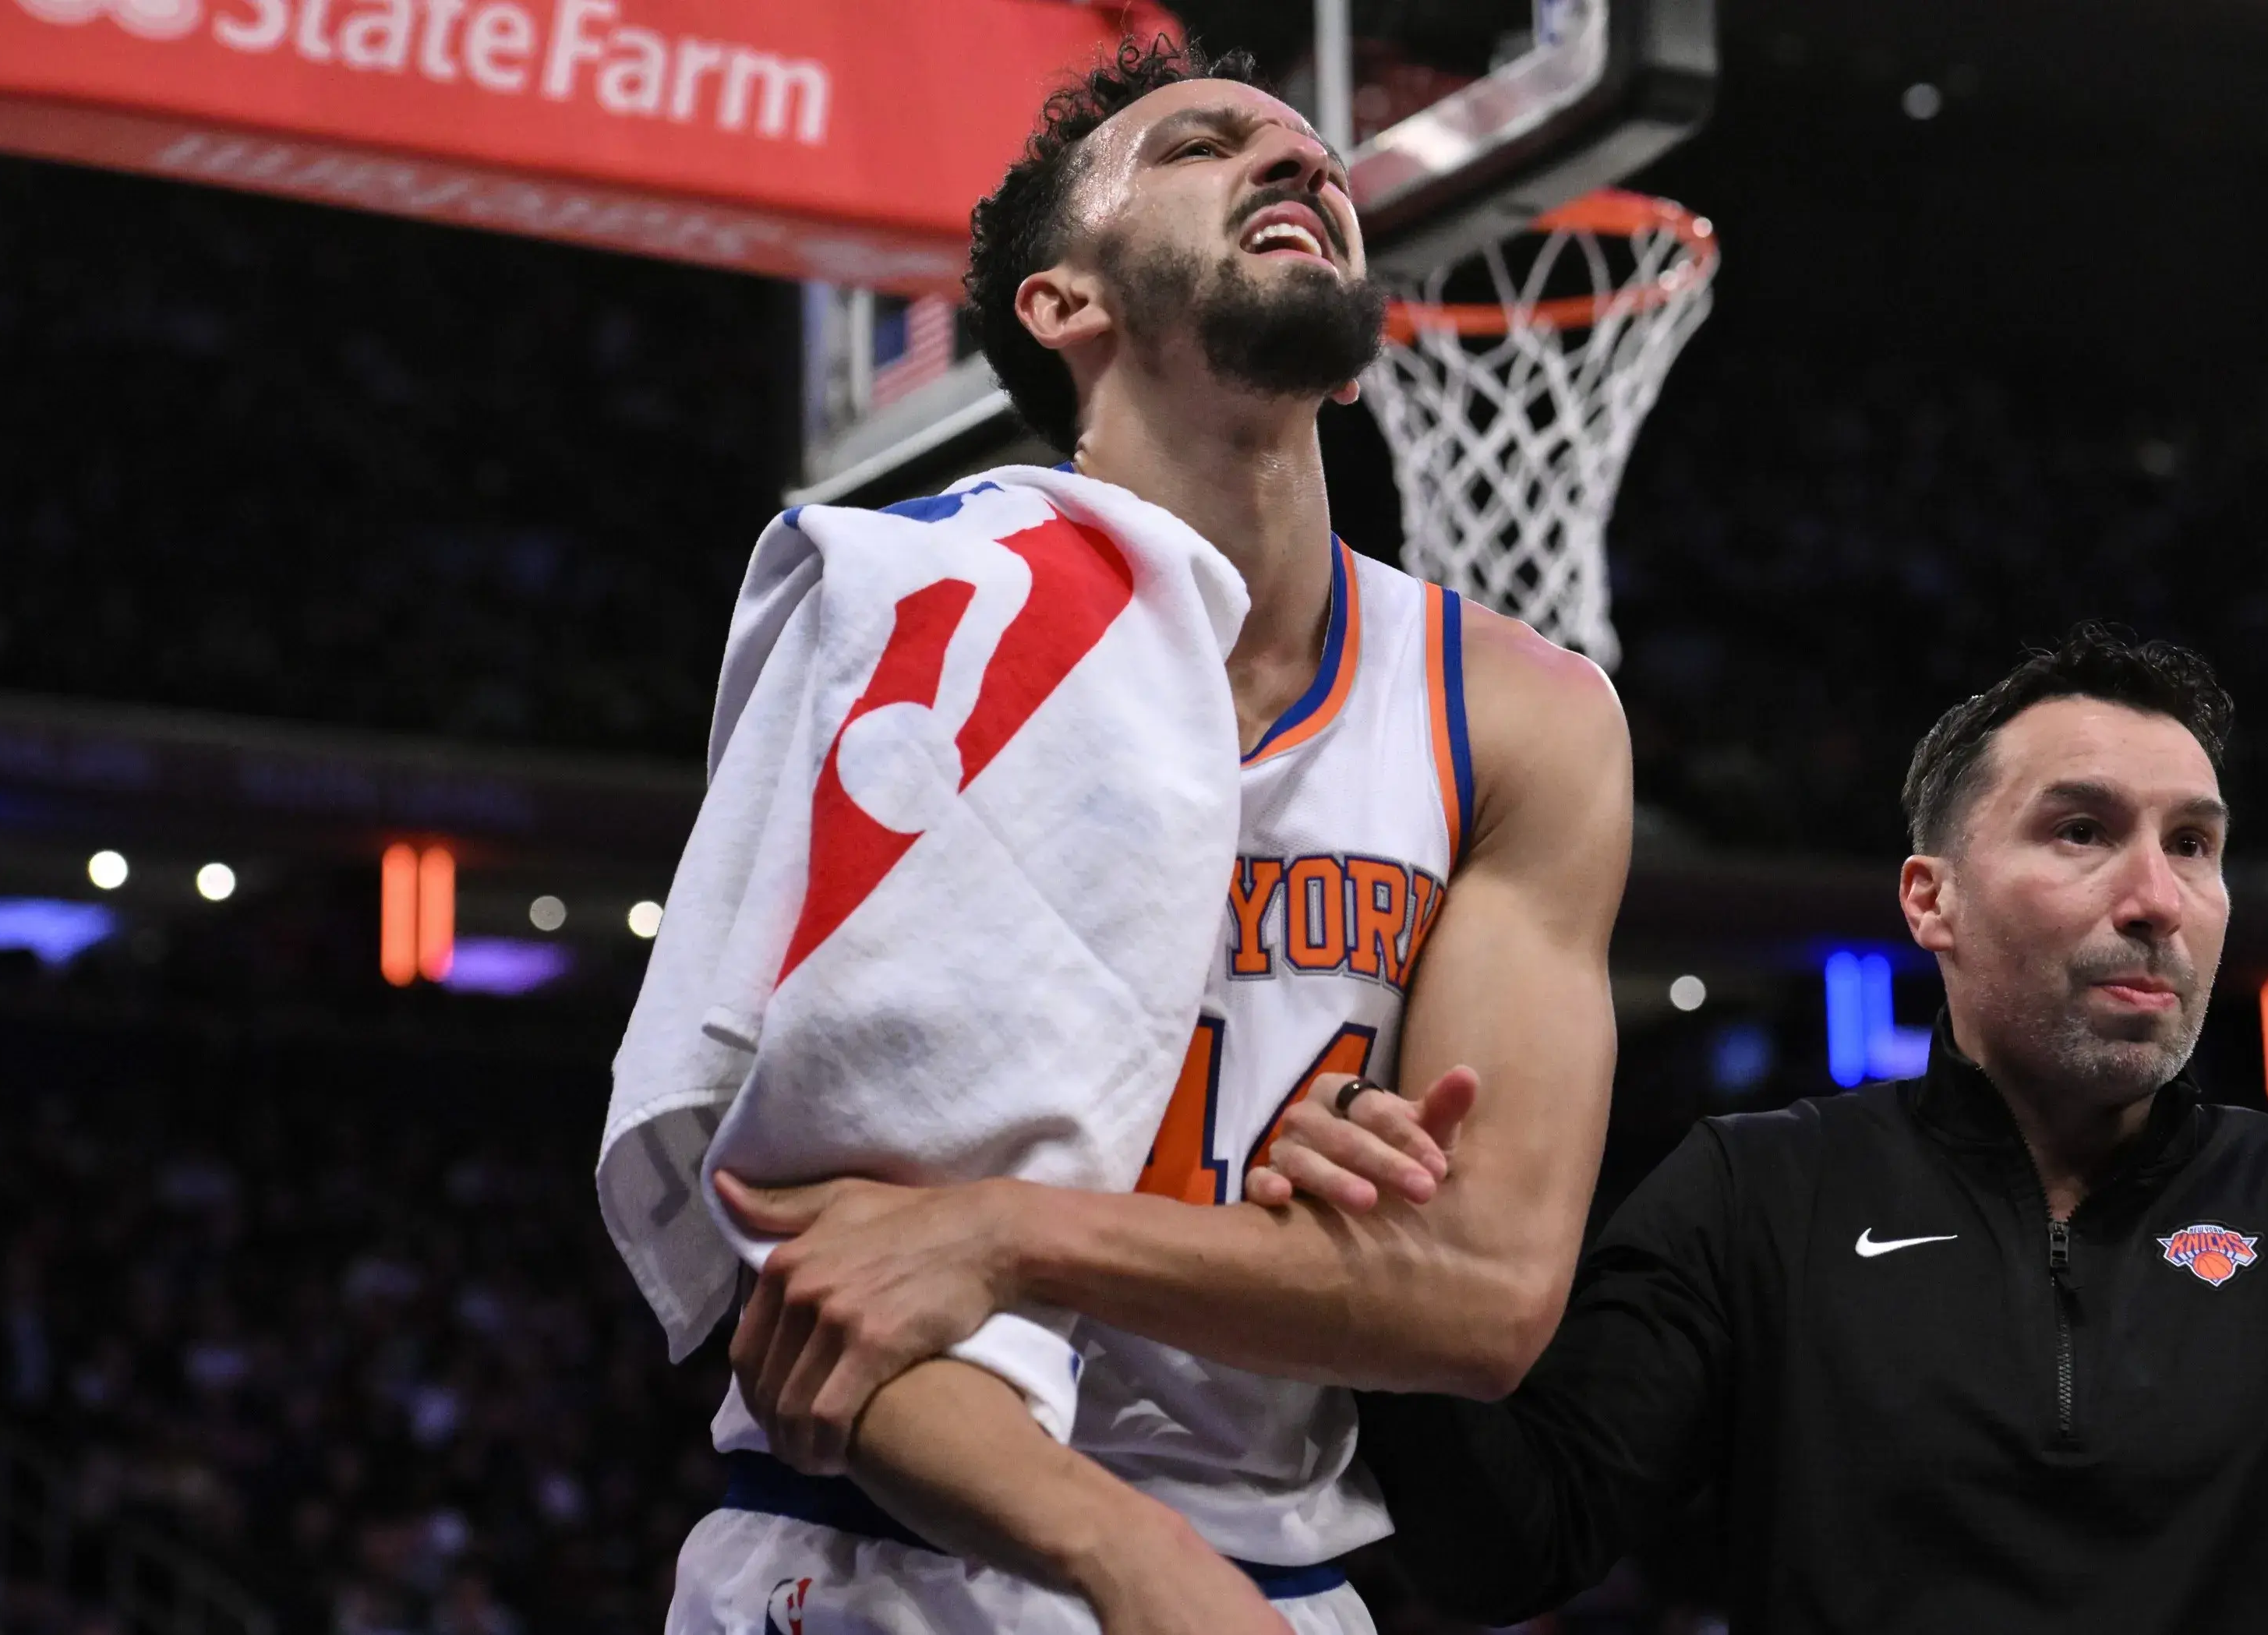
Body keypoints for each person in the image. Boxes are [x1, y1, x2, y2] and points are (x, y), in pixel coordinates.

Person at [662, 37, 1634, 1635]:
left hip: (1286, 1576)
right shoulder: (911, 619)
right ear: (1067, 303)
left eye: (1315, 155)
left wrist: (1002, 1229)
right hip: (884, 1560)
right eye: (1201, 145)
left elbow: (1484, 1299)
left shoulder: (1523, 712)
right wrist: (1138, 1561)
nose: (1302, 163)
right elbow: (820, 1275)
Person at [1325, 627, 2268, 1632]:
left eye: (2196, 844)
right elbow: (1503, 1540)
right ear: (1930, 902)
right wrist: (1377, 1289)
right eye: (2079, 829)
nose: (2155, 894)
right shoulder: (1754, 1194)